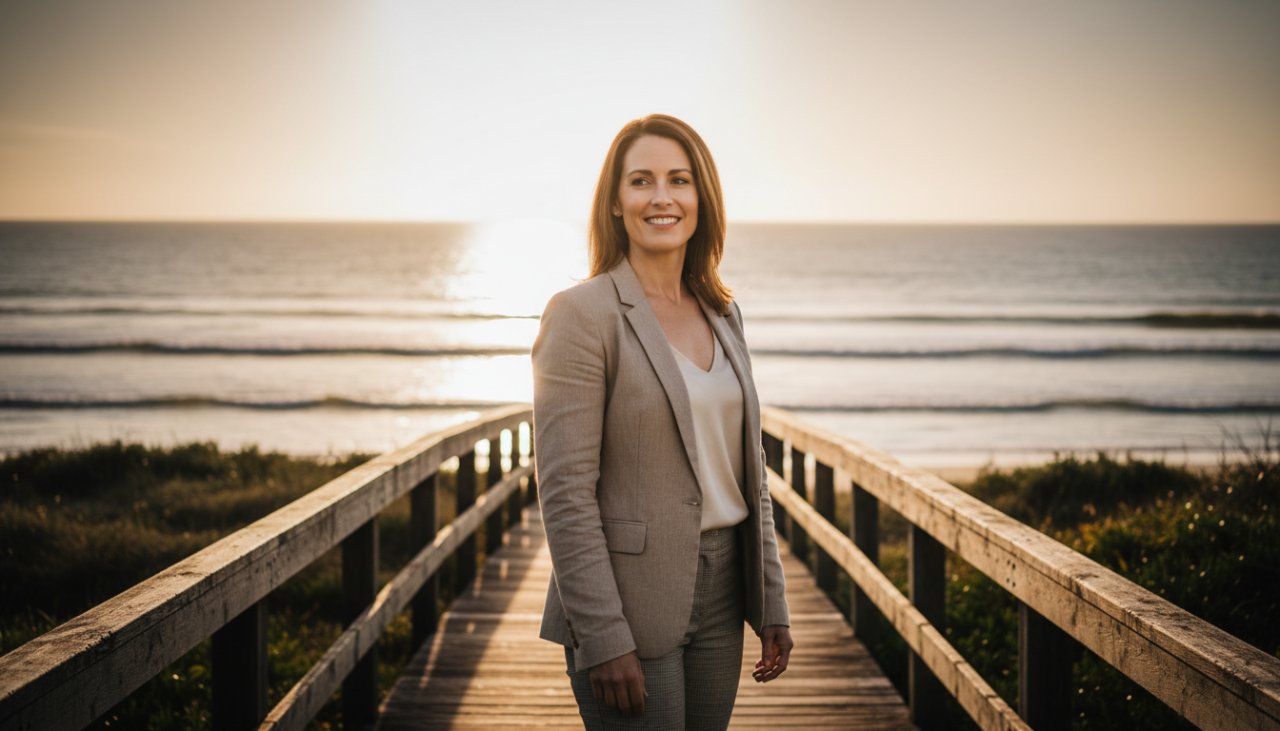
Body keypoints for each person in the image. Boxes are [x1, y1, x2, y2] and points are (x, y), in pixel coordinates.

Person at [532, 113, 793, 730]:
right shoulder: (582, 314)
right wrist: (601, 634)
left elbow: (749, 469)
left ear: (701, 198)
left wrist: (772, 599)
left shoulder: (723, 314)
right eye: (641, 181)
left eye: (679, 180)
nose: (661, 198)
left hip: (726, 587)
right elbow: (565, 493)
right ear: (616, 203)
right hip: (628, 596)